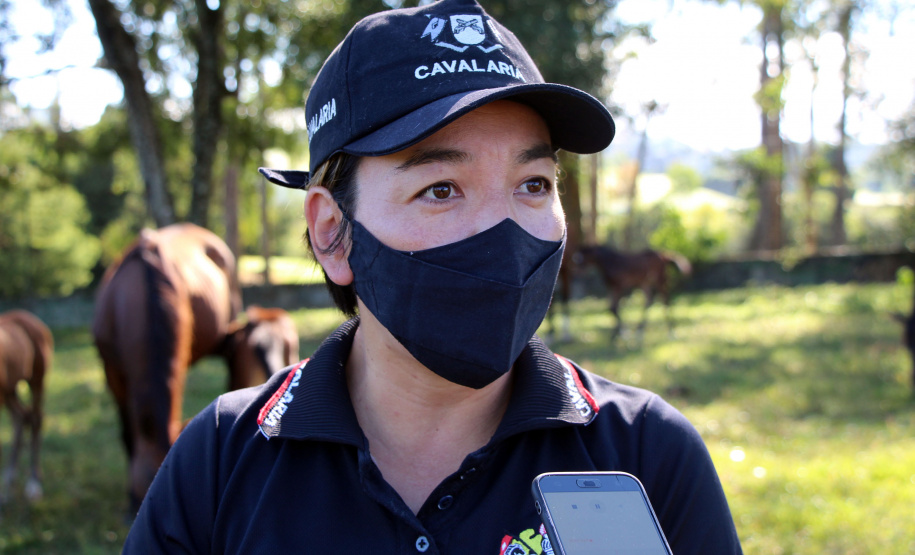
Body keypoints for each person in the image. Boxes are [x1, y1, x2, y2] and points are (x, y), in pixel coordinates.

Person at [124, 0, 743, 553]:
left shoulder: (647, 455)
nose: (503, 232)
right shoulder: (221, 461)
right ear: (331, 231)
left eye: (533, 184)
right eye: (440, 188)